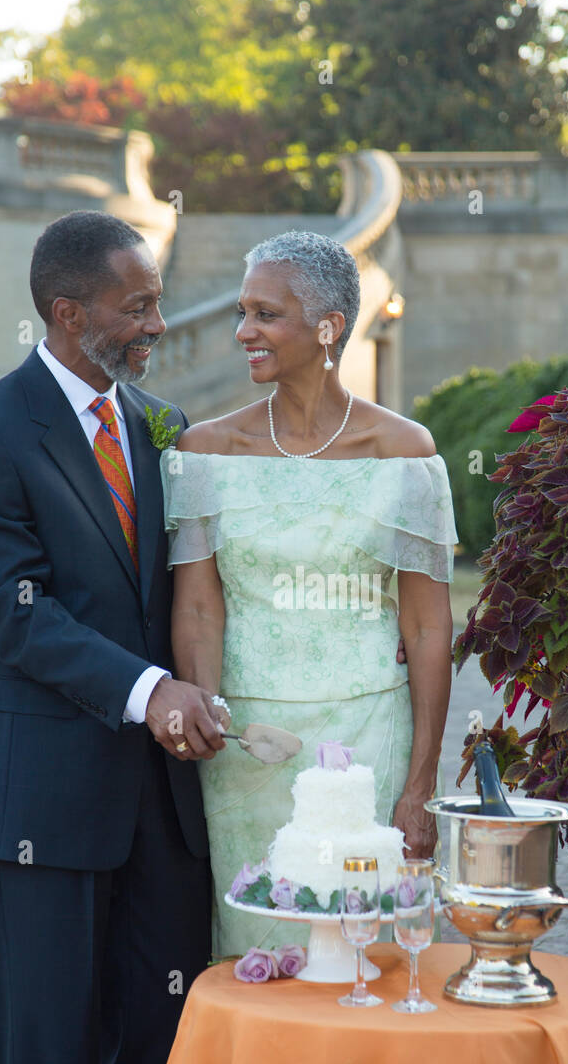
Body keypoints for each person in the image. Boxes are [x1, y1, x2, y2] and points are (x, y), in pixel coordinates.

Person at [0, 210, 227, 1064]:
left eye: (152, 300)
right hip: (44, 807)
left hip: (164, 810)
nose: (154, 321)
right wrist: (151, 692)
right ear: (67, 313)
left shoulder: (164, 422)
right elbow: (8, 609)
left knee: (160, 1039)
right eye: (134, 305)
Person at [160, 229, 458, 958]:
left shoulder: (405, 453)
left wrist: (420, 784)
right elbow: (200, 608)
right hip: (245, 750)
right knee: (253, 946)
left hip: (367, 743)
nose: (243, 332)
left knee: (365, 950)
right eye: (242, 312)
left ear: (327, 328)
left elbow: (425, 629)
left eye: (265, 314)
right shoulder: (204, 453)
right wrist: (211, 716)